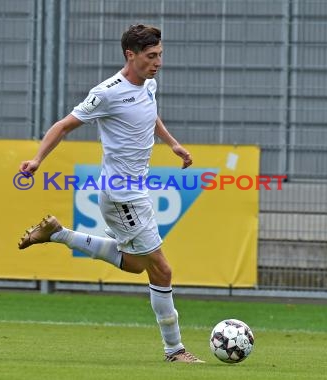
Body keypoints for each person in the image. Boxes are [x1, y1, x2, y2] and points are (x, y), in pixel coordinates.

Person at [17, 24, 204, 363]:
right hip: (122, 196)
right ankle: (175, 350)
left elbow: (150, 116)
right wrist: (37, 159)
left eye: (160, 55)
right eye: (150, 56)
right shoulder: (106, 93)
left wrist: (173, 144)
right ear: (130, 55)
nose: (158, 62)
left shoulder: (148, 84)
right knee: (161, 269)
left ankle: (58, 234)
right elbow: (63, 125)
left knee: (135, 265)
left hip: (136, 192)